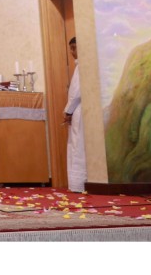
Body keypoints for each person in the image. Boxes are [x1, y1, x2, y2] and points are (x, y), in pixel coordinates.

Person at [64, 36, 86, 192]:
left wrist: (68, 110)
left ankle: (78, 183)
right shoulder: (80, 66)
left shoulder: (82, 66)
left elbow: (76, 93)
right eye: (70, 49)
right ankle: (78, 183)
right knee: (77, 144)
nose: (72, 52)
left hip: (79, 108)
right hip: (78, 108)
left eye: (74, 48)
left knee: (77, 145)